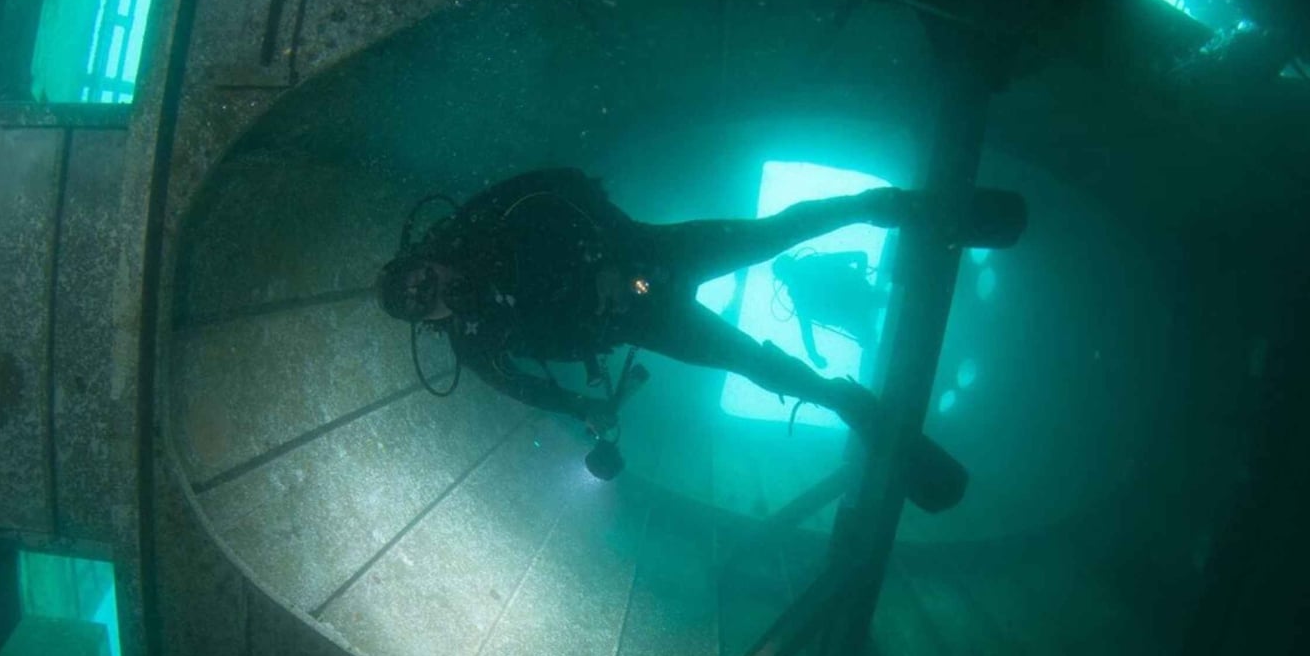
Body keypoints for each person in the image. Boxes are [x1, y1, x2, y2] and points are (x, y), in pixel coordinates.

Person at [377, 168, 1025, 513]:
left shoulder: (480, 223)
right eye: (424, 303)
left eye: (423, 279)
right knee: (750, 363)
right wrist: (585, 408)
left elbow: (563, 182)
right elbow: (523, 386)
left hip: (646, 255)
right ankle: (849, 403)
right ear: (426, 319)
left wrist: (604, 250)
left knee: (774, 233)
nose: (434, 293)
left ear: (425, 258)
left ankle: (893, 206)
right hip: (636, 324)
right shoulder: (471, 342)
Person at [771, 249, 886, 368]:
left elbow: (806, 329)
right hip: (856, 311)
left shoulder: (801, 291)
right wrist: (860, 283)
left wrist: (813, 354)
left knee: (870, 341)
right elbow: (861, 256)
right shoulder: (804, 285)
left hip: (854, 312)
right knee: (871, 338)